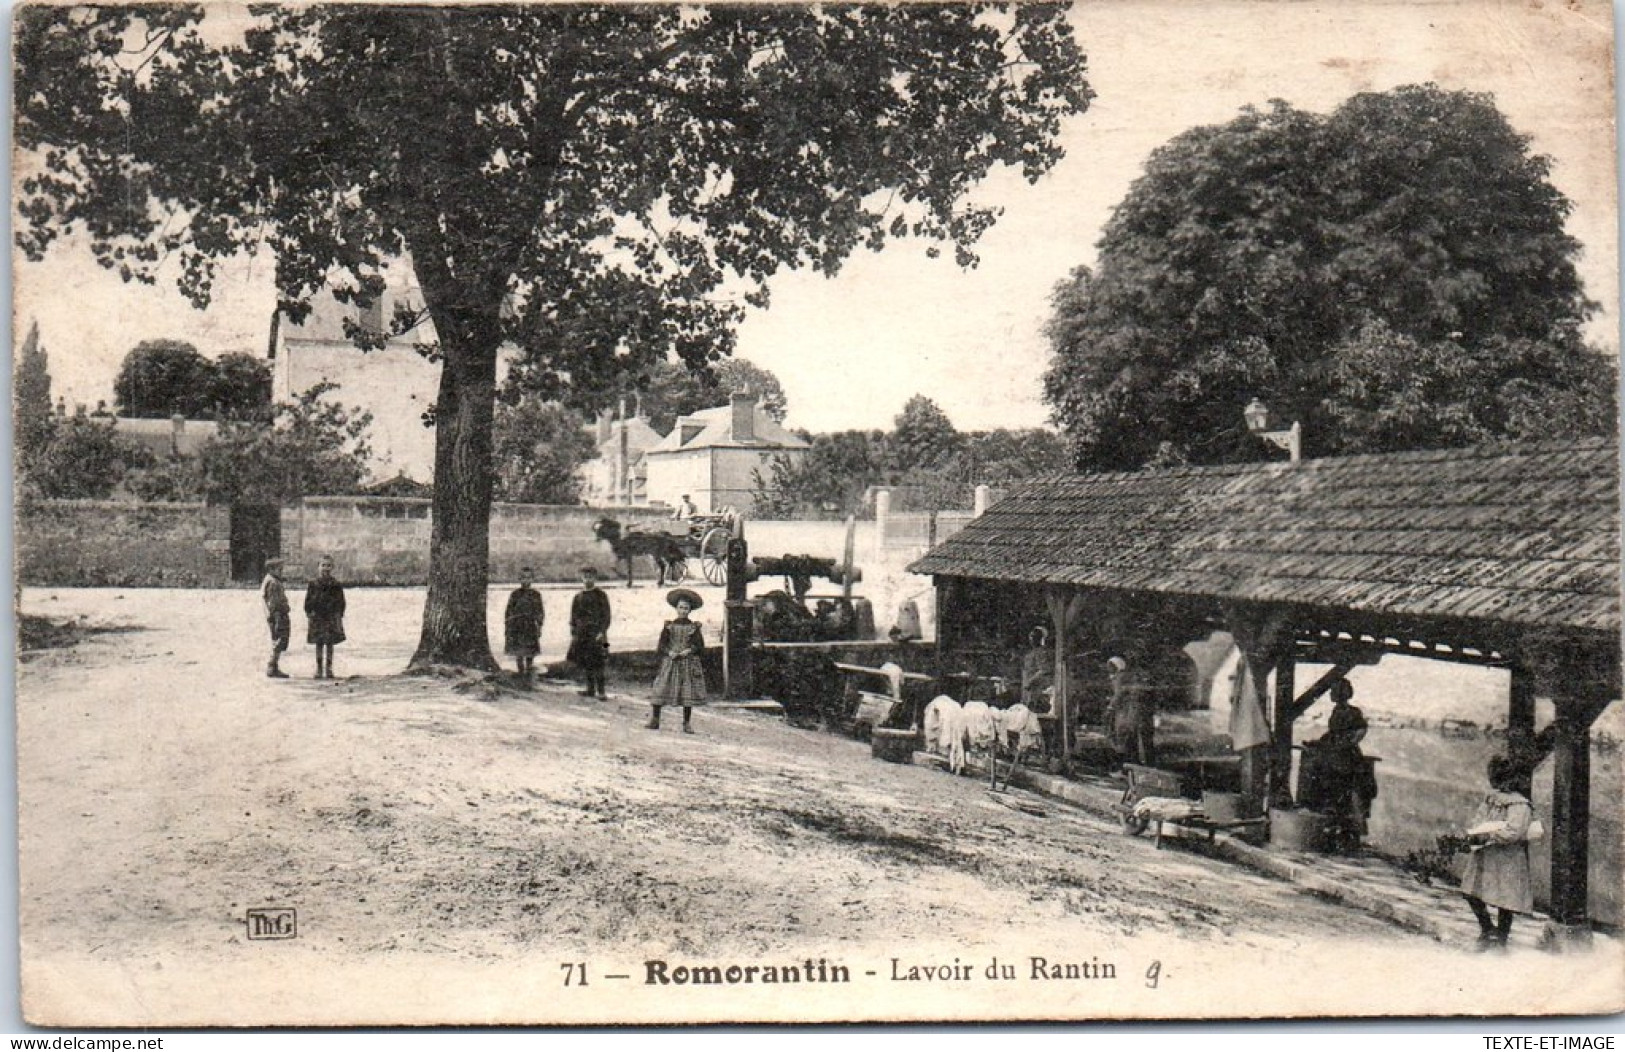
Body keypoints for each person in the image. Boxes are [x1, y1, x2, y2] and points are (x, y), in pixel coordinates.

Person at [1458, 754, 1537, 950]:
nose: (1500, 785)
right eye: (1497, 780)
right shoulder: (1491, 799)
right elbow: (1479, 818)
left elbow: (1514, 832)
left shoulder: (1520, 805)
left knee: (1505, 899)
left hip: (1507, 857)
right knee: (1471, 891)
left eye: (1504, 780)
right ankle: (1486, 928)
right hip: (1486, 854)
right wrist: (1475, 833)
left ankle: (1501, 938)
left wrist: (1491, 835)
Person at [1298, 680, 1378, 851]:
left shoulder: (1353, 711)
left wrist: (1348, 742)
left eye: (1334, 691)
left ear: (1342, 693)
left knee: (1333, 777)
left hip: (1346, 754)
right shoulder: (1336, 711)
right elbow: (1332, 734)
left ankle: (1336, 821)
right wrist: (1319, 742)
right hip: (1335, 750)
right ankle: (1326, 818)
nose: (1331, 694)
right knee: (1320, 769)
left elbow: (1361, 729)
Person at [648, 588, 707, 733]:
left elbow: (700, 646)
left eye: (686, 608)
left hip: (687, 663)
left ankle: (686, 723)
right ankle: (655, 719)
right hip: (671, 661)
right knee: (661, 688)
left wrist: (690, 650)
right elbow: (661, 644)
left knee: (687, 692)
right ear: (676, 608)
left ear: (690, 610)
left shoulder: (694, 628)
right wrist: (669, 652)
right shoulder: (669, 626)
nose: (683, 611)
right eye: (681, 607)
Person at [568, 567, 612, 699]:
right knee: (586, 661)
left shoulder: (601, 595)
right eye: (585, 576)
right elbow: (573, 616)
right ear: (581, 578)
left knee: (599, 661)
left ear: (595, 578)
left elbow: (607, 615)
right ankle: (590, 689)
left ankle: (602, 691)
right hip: (583, 634)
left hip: (599, 635)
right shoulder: (578, 597)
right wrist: (574, 632)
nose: (588, 579)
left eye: (590, 576)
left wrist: (602, 631)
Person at [1104, 655, 1154, 766]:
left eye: (1111, 666)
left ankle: (1130, 761)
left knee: (1126, 734)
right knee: (1137, 735)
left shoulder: (1119, 677)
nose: (1109, 669)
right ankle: (1141, 761)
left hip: (1128, 711)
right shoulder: (1126, 676)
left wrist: (1110, 707)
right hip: (1132, 711)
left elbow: (1118, 694)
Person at [304, 555, 346, 680]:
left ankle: (328, 668)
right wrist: (309, 613)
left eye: (328, 565)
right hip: (317, 617)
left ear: (332, 567)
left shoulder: (336, 584)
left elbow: (341, 601)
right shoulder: (313, 584)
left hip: (331, 617)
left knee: (330, 643)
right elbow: (307, 601)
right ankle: (318, 668)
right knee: (319, 643)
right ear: (318, 567)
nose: (325, 568)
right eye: (323, 565)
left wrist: (339, 614)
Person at [503, 567, 545, 680]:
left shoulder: (536, 595)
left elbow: (540, 611)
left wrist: (539, 625)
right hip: (517, 626)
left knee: (530, 652)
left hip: (530, 626)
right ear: (520, 579)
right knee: (519, 652)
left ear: (532, 579)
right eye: (523, 578)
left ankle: (528, 673)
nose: (526, 581)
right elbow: (508, 611)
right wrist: (507, 626)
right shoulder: (515, 594)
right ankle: (521, 673)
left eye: (528, 578)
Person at [261, 557, 291, 679]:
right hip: (278, 614)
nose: (281, 571)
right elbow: (273, 602)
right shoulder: (273, 582)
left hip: (276, 614)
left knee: (278, 638)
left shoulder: (270, 580)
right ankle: (272, 665)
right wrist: (279, 612)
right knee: (279, 639)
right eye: (279, 569)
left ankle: (274, 665)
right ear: (271, 569)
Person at [1020, 626, 1053, 711]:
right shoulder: (1030, 653)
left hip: (1035, 689)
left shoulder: (1041, 652)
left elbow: (1043, 670)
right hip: (1027, 689)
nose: (1031, 639)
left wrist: (1030, 681)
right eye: (1030, 637)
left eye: (1034, 637)